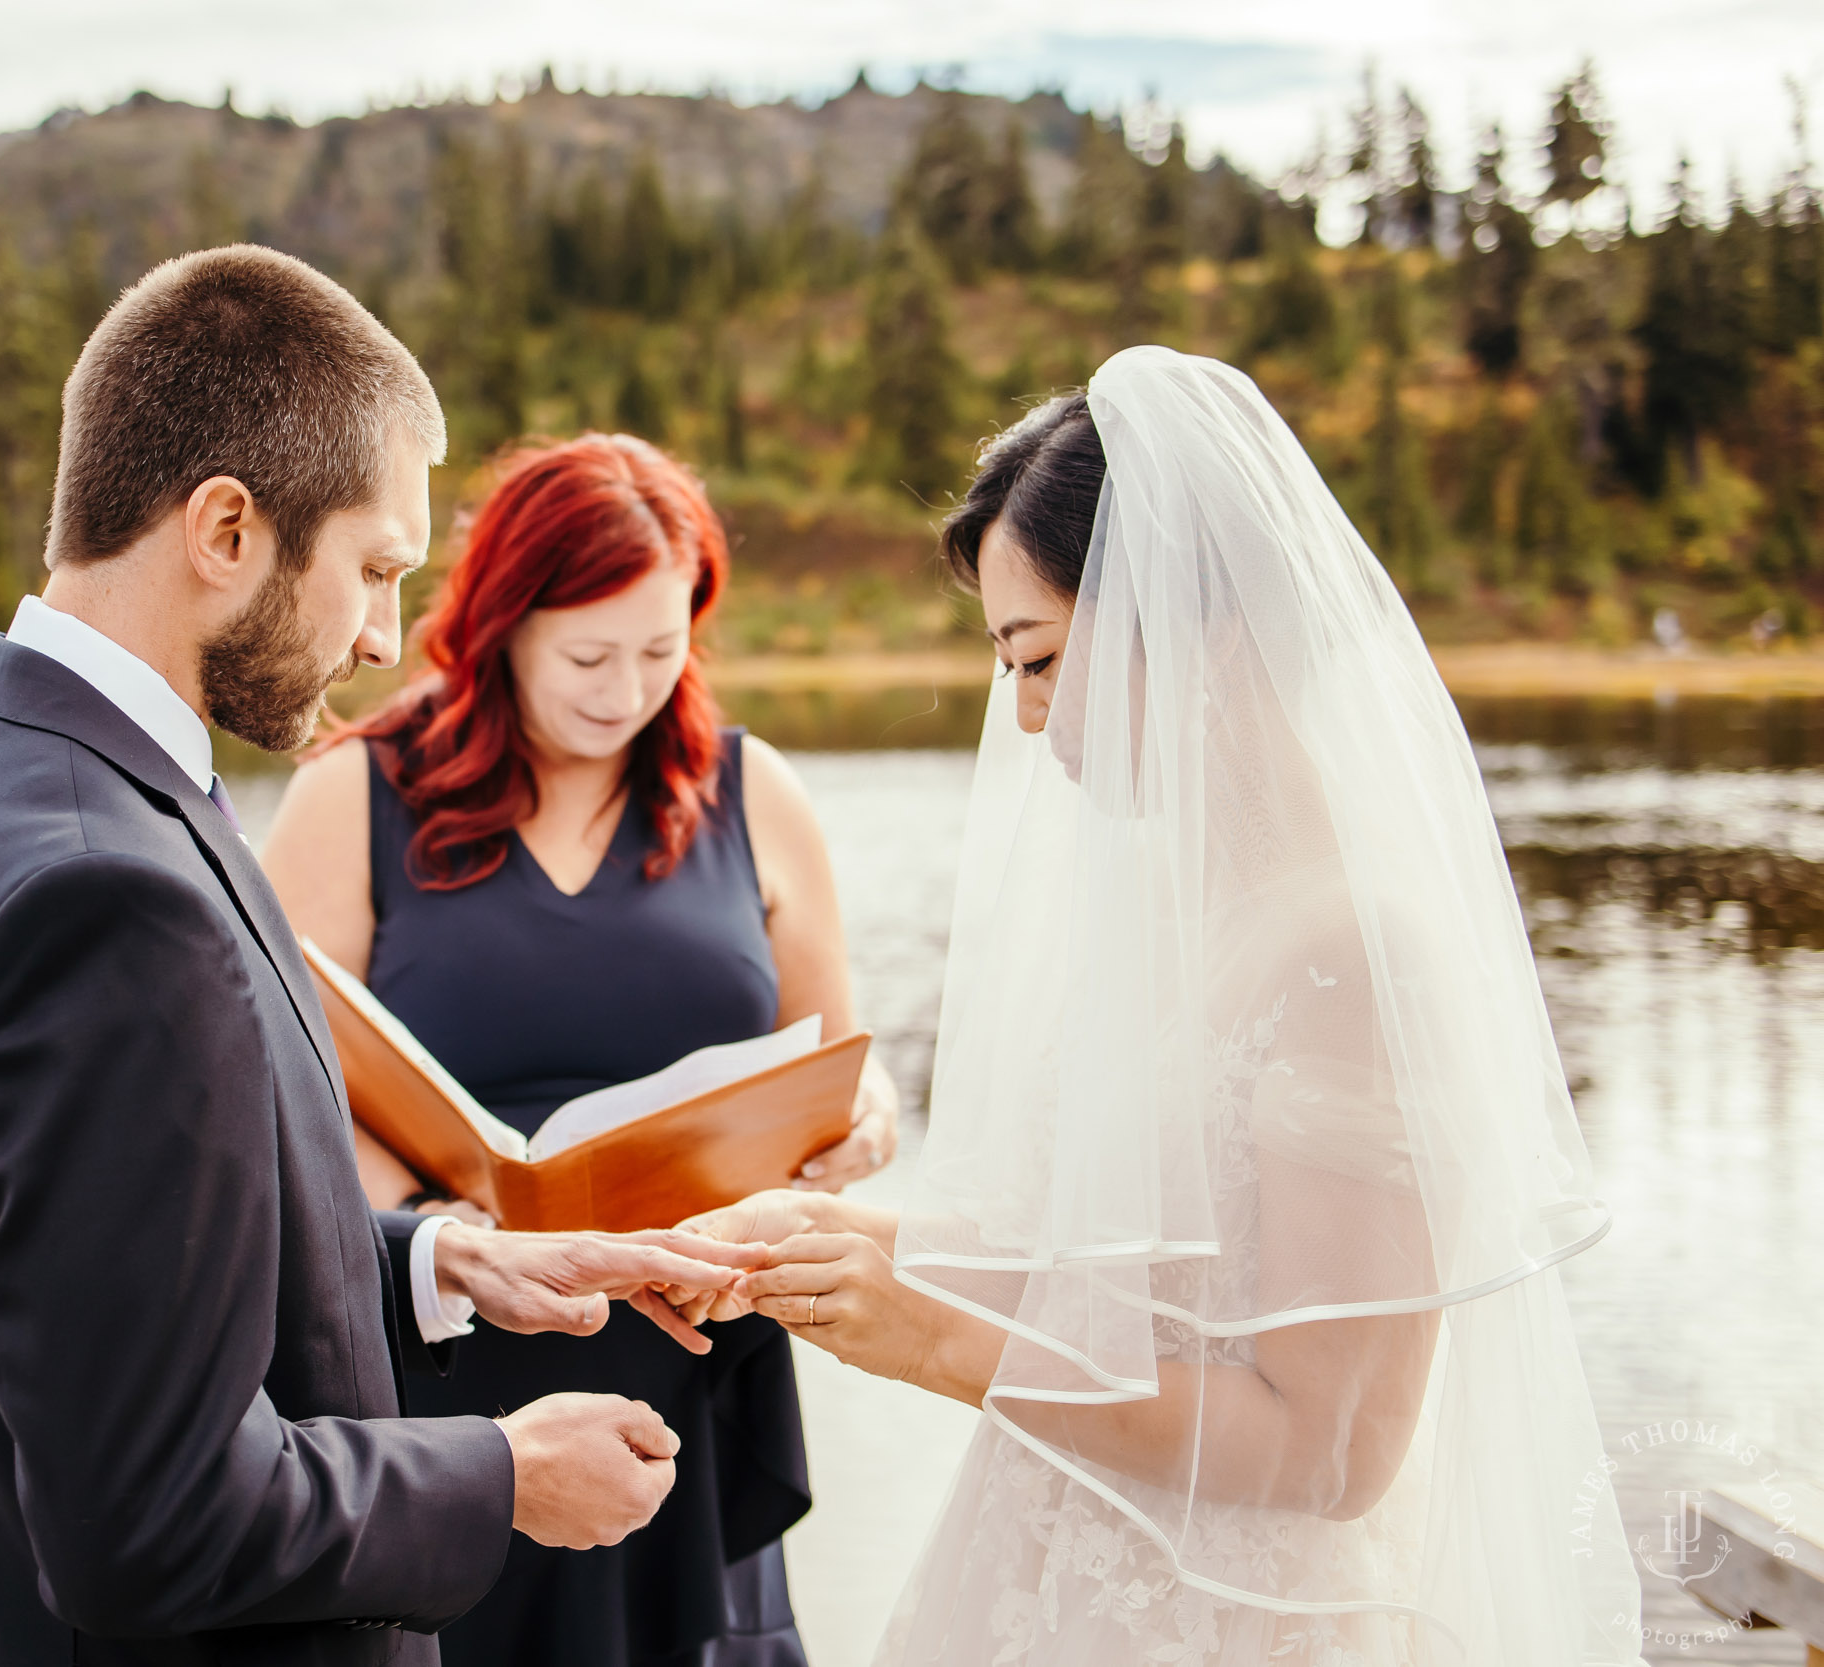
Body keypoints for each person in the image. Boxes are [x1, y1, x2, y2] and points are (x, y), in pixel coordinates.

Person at [0, 246, 762, 1667]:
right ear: (226, 528)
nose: (391, 634)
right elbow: (150, 1515)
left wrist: (443, 1263)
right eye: (377, 566)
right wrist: (504, 1472)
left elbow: (117, 1286)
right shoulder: (103, 898)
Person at [683, 350, 1646, 1665]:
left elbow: (1333, 1446)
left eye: (1040, 657)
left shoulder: (1352, 953)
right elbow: (1115, 1276)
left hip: (1240, 1617)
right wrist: (843, 1232)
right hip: (1049, 1574)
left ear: (1201, 620)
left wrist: (929, 1338)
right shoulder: (1173, 912)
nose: (1025, 717)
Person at [262, 433, 901, 1667]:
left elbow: (830, 1045)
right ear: (500, 624)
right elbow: (289, 1084)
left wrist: (863, 1114)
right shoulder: (357, 790)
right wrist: (449, 1226)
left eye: (661, 652)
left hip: (693, 1345)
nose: (626, 690)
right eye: (589, 654)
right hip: (454, 1355)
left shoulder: (751, 789)